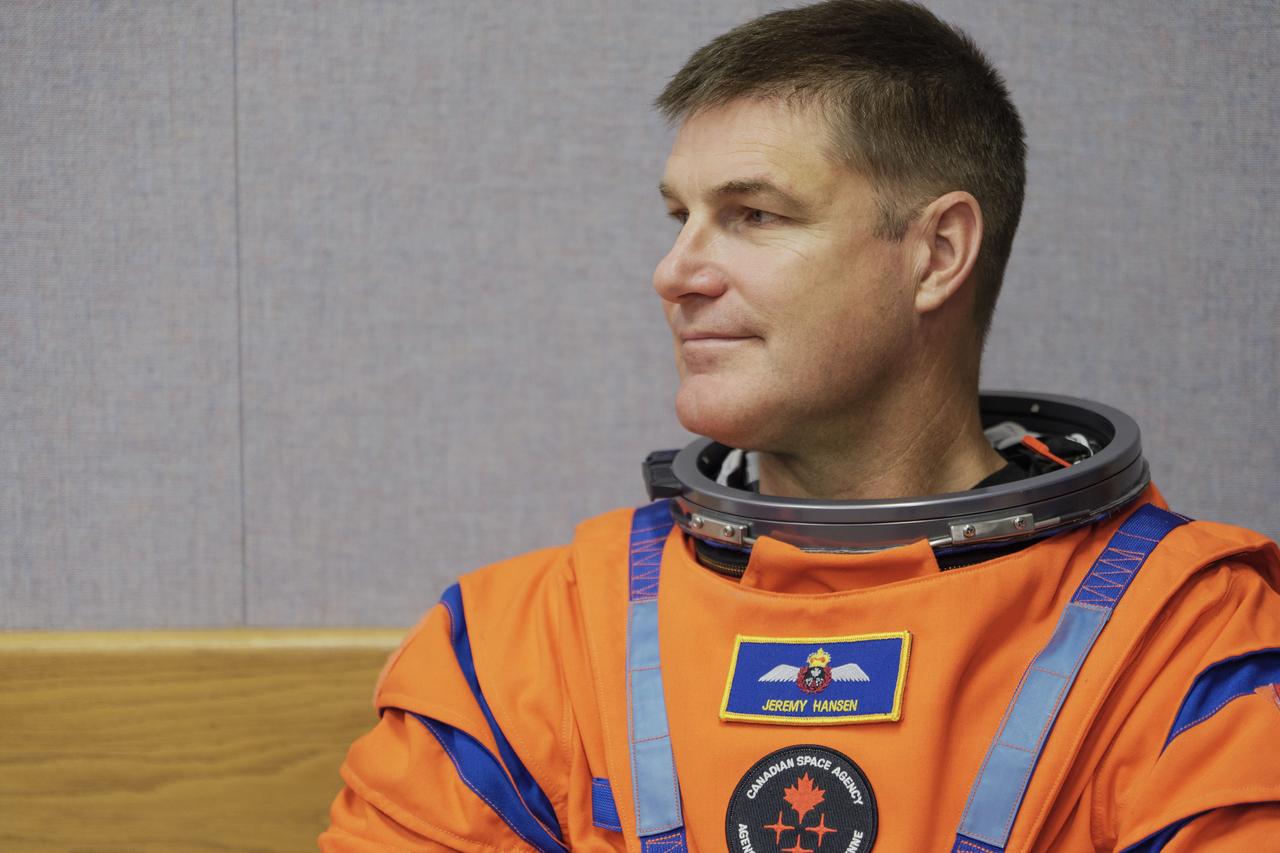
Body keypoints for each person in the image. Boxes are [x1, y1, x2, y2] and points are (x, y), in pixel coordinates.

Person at [320, 2, 1280, 850]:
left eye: (753, 215)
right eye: (679, 216)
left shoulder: (1189, 646)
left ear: (937, 253)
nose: (677, 271)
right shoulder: (522, 649)